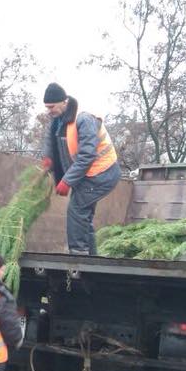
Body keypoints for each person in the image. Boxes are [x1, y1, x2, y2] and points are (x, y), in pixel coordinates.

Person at [40, 82, 122, 255]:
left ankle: (78, 255)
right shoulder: (59, 118)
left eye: (52, 106)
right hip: (87, 175)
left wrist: (67, 181)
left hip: (102, 174)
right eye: (47, 107)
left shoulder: (84, 119)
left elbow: (87, 155)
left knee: (77, 211)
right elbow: (50, 136)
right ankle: (91, 258)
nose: (49, 111)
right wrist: (48, 157)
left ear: (64, 101)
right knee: (84, 217)